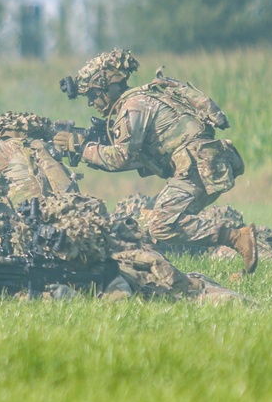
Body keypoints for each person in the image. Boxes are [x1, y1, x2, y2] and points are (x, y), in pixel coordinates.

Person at [52, 49, 259, 273]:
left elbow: (120, 159)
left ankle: (238, 238)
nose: (92, 102)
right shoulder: (141, 100)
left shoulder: (134, 106)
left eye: (93, 94)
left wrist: (81, 146)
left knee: (161, 224)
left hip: (198, 167)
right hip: (203, 164)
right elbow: (135, 159)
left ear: (109, 86)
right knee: (153, 221)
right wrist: (88, 148)